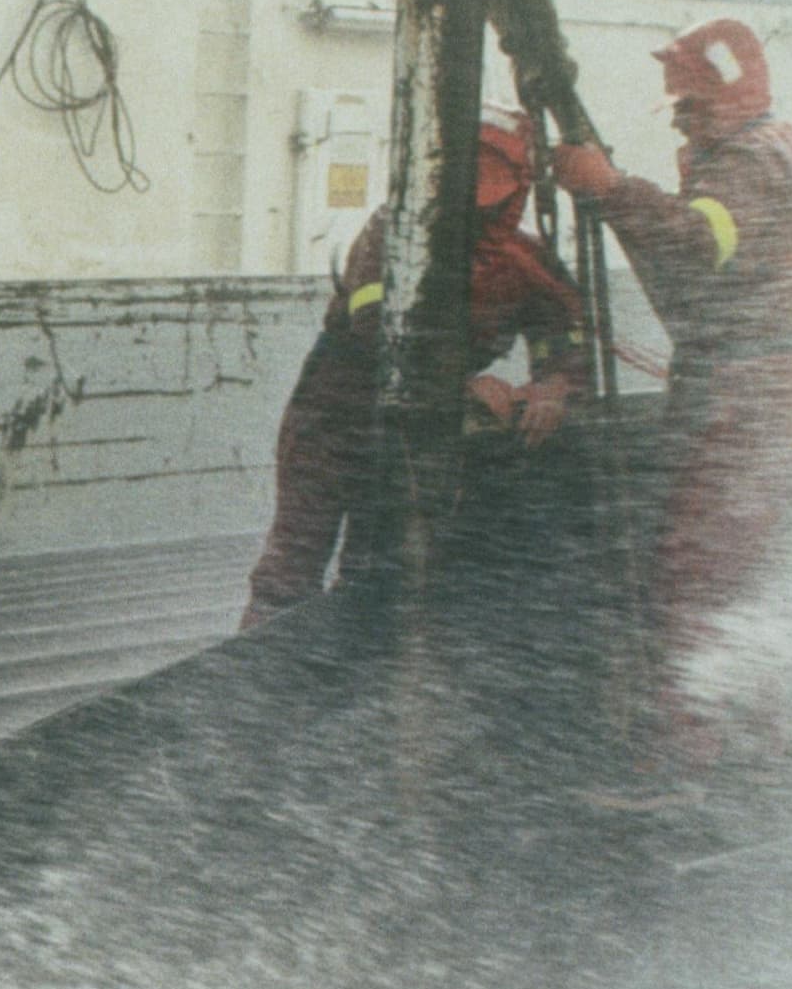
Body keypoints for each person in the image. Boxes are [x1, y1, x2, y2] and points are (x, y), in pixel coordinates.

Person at [555, 17, 792, 777]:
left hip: (744, 394)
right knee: (745, 574)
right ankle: (760, 740)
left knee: (690, 574)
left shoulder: (740, 165)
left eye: (691, 104)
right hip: (776, 388)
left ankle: (677, 765)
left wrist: (609, 188)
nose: (679, 117)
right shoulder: (780, 145)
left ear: (726, 98)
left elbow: (694, 240)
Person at [242, 114, 589, 625]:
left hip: (412, 432)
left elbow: (564, 333)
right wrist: (463, 384)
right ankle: (262, 686)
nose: (475, 214)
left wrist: (553, 387)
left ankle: (343, 686)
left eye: (491, 199)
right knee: (290, 570)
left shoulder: (523, 261)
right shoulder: (393, 233)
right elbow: (375, 326)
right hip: (335, 413)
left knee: (373, 573)